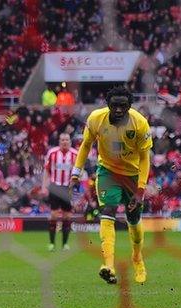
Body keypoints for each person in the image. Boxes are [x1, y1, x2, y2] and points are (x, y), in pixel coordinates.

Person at [70, 86, 152, 285]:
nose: (118, 110)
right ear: (108, 105)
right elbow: (86, 144)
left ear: (129, 106)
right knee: (107, 212)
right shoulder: (96, 119)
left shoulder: (140, 123)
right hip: (108, 172)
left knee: (134, 221)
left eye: (122, 106)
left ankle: (137, 258)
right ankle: (108, 265)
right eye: (114, 105)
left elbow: (144, 158)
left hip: (132, 176)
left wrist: (140, 189)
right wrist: (76, 172)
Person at [42, 133, 78, 251]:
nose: (64, 142)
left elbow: (80, 172)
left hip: (68, 188)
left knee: (67, 216)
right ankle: (52, 243)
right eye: (62, 140)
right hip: (55, 186)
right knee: (53, 215)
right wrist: (44, 186)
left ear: (70, 141)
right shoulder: (52, 153)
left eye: (67, 140)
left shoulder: (75, 154)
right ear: (59, 141)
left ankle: (64, 244)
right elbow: (46, 171)